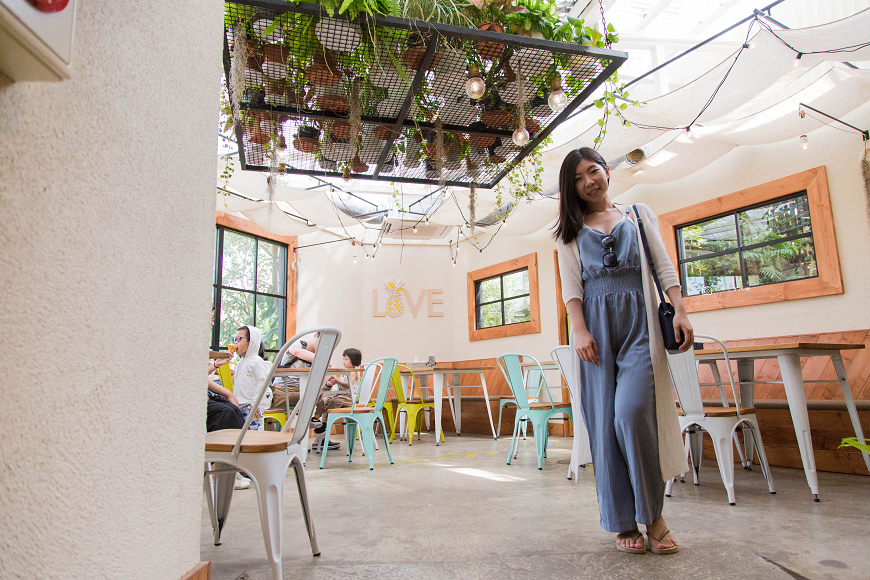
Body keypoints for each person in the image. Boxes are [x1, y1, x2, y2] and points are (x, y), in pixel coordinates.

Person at [555, 147, 692, 555]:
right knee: (603, 424)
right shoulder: (566, 231)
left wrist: (680, 309)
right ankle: (621, 521)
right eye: (578, 178)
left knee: (632, 415)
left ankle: (653, 516)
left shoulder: (637, 213)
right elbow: (571, 288)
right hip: (595, 334)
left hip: (640, 325)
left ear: (607, 171)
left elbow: (664, 266)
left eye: (593, 171)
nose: (589, 182)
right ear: (571, 187)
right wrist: (578, 331)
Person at [231, 325, 272, 431]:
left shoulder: (257, 362)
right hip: (239, 405)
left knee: (254, 435)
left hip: (252, 406)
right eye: (235, 339)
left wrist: (256, 404)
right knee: (242, 435)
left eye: (239, 339)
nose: (236, 342)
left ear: (251, 341)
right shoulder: (240, 362)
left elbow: (263, 383)